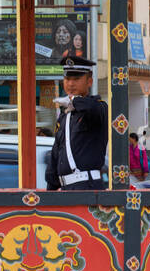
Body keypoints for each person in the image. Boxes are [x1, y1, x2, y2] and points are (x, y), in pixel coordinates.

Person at [45, 55, 108, 190]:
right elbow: (56, 153)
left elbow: (92, 108)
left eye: (76, 79)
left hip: (88, 185)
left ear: (89, 82)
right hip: (66, 188)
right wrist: (50, 187)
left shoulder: (99, 107)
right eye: (67, 79)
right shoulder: (65, 115)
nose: (71, 84)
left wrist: (74, 101)